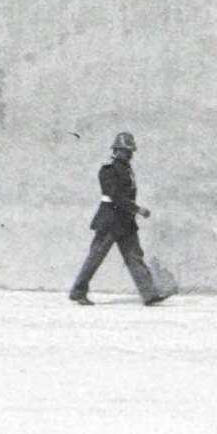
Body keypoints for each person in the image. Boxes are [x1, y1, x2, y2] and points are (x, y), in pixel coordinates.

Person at [70, 130, 167, 305]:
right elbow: (114, 195)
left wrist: (132, 211)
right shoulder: (108, 169)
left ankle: (149, 294)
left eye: (130, 151)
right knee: (96, 256)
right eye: (125, 151)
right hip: (109, 219)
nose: (129, 154)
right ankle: (78, 291)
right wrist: (137, 209)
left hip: (125, 221)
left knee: (134, 256)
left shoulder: (126, 168)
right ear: (116, 150)